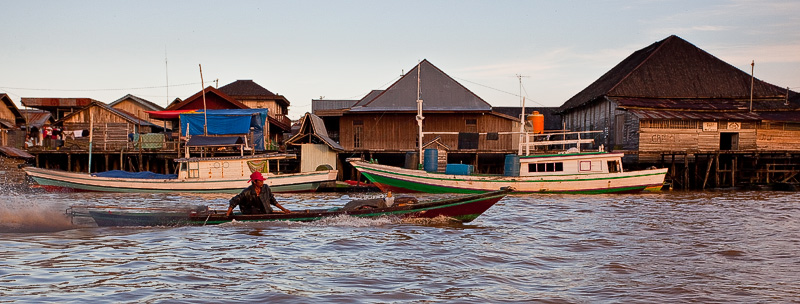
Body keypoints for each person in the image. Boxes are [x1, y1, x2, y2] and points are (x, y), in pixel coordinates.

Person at [226, 171, 291, 217]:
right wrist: (227, 215)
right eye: (260, 181)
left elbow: (273, 200)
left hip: (266, 212)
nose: (262, 182)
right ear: (254, 182)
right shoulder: (247, 192)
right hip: (251, 213)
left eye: (262, 180)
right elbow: (234, 201)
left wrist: (284, 210)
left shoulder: (266, 188)